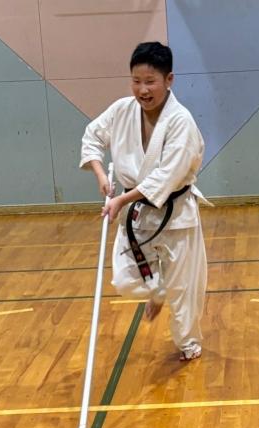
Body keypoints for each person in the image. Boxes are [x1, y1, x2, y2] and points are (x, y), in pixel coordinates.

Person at [80, 41, 208, 362]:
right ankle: (157, 290)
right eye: (136, 81)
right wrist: (101, 175)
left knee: (184, 288)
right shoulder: (122, 111)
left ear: (169, 80)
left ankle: (188, 342)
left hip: (176, 214)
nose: (142, 90)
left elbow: (167, 176)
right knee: (125, 279)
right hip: (137, 214)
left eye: (150, 81)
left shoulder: (181, 121)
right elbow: (92, 136)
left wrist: (121, 199)